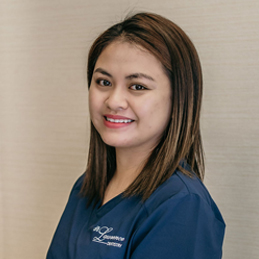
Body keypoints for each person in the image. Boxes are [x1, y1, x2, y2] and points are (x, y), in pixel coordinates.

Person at [46, 12, 225, 259]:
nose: (114, 101)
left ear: (178, 99)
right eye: (103, 82)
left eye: (138, 87)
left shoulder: (181, 205)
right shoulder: (86, 186)